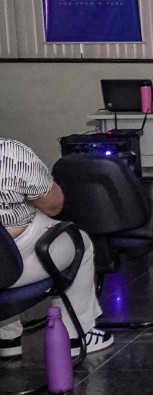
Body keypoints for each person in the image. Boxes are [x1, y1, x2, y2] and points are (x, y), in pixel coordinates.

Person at [0, 139, 110, 357]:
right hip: (15, 265)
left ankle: (7, 339)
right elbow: (53, 205)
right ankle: (76, 335)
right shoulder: (9, 153)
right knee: (80, 240)